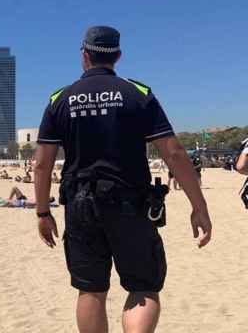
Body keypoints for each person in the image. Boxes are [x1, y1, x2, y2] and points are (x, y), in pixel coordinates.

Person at [33, 26, 212, 333]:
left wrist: (42, 212)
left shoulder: (60, 99)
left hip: (80, 205)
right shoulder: (137, 94)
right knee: (143, 287)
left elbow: (41, 165)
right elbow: (175, 154)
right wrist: (199, 205)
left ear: (84, 55)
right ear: (118, 56)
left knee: (90, 290)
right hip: (131, 203)